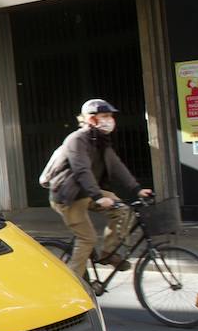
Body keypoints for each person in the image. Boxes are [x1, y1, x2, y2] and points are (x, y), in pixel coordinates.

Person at [42, 99, 153, 281]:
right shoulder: (76, 140)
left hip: (87, 192)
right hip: (68, 197)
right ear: (91, 119)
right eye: (105, 116)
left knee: (123, 209)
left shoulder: (100, 141)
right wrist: (98, 197)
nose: (110, 120)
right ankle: (73, 283)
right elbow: (82, 170)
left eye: (110, 116)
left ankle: (108, 253)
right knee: (87, 238)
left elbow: (117, 166)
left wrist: (136, 189)